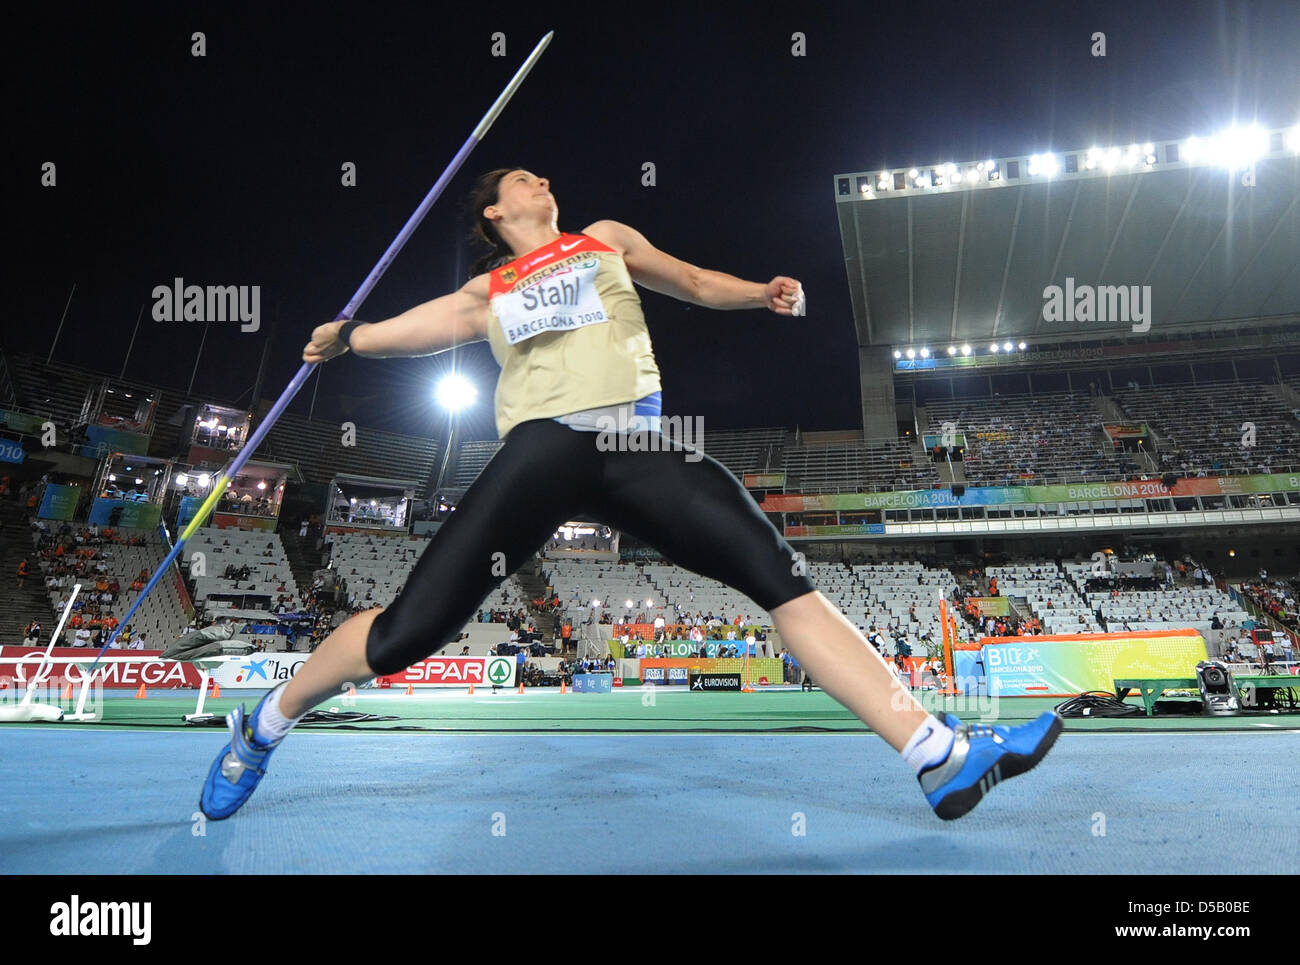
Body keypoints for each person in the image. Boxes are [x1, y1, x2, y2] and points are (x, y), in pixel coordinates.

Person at [199, 166, 1060, 824]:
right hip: (544, 446)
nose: (543, 179)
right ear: (495, 212)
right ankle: (264, 725)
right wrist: (350, 336)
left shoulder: (604, 238)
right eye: (522, 178)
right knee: (404, 636)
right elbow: (411, 332)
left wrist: (760, 293)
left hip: (639, 442)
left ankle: (935, 753)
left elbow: (691, 281)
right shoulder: (489, 289)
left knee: (781, 577)